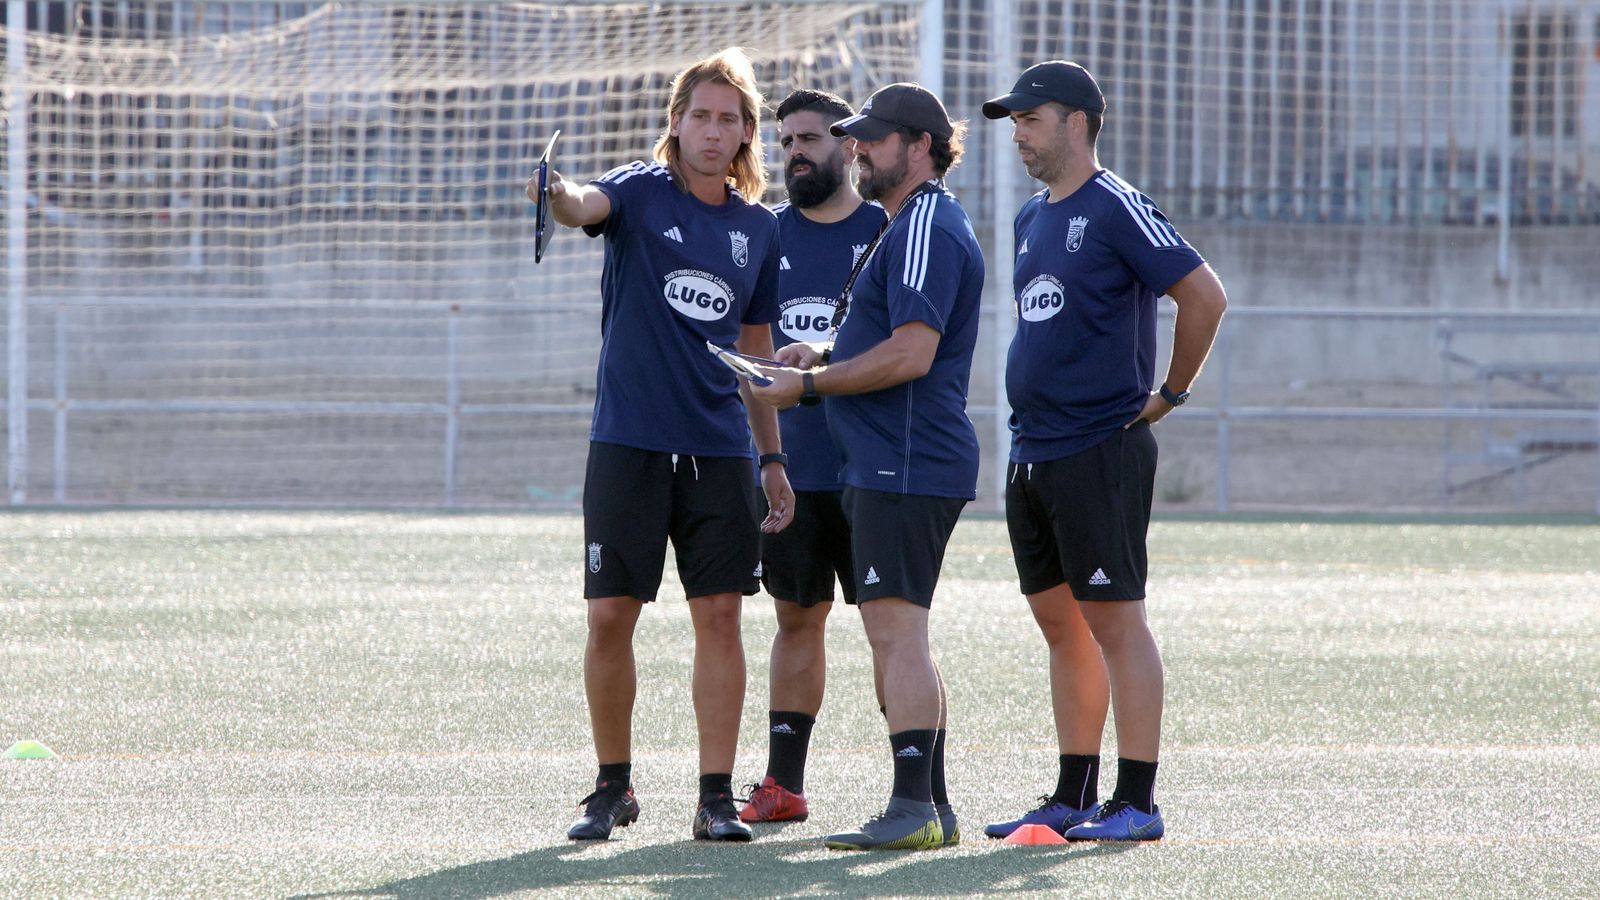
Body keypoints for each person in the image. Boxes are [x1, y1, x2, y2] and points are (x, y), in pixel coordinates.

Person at [528, 47, 795, 844]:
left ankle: (715, 798)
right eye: (700, 116)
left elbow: (756, 359)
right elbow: (583, 204)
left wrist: (772, 460)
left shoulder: (759, 229)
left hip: (718, 454)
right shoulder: (640, 193)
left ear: (747, 134)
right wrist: (555, 190)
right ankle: (613, 788)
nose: (713, 132)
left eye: (729, 120)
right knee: (610, 617)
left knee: (720, 618)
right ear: (675, 124)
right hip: (628, 445)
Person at [979, 61, 1227, 842]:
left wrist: (1170, 393)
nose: (1018, 132)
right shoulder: (1029, 219)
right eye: (1014, 121)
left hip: (1099, 449)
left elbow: (1204, 295)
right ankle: (1072, 794)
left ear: (1078, 122)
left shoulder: (1117, 205)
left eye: (1031, 118)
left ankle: (1139, 803)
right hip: (1034, 451)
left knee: (1117, 623)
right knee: (1063, 627)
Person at [751, 82, 983, 851]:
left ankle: (914, 807)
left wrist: (810, 384)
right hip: (892, 462)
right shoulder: (903, 225)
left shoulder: (922, 223)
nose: (858, 149)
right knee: (900, 633)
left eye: (874, 138)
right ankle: (932, 806)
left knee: (896, 636)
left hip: (904, 462)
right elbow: (888, 338)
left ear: (919, 146)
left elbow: (913, 353)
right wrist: (819, 354)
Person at [738, 90, 888, 827]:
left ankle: (915, 790)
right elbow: (745, 351)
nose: (795, 150)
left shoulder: (889, 229)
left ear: (850, 146)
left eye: (811, 138)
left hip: (878, 471)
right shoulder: (764, 234)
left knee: (893, 625)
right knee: (796, 618)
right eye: (787, 139)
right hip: (792, 474)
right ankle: (783, 783)